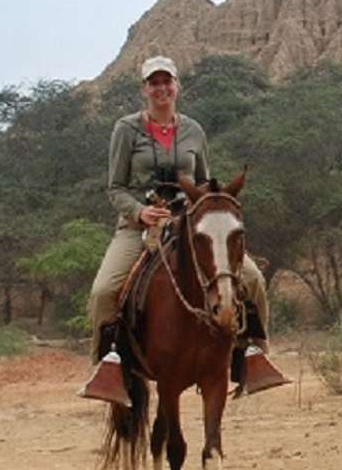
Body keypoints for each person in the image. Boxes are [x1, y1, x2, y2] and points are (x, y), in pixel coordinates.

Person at [77, 54, 284, 403]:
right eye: (154, 83)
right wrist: (141, 212)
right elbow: (115, 187)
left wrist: (202, 208)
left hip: (189, 221)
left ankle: (252, 354)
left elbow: (204, 181)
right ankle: (107, 367)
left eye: (167, 82)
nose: (161, 88)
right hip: (139, 224)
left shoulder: (193, 130)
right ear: (145, 89)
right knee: (103, 292)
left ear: (177, 86)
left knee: (251, 279)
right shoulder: (126, 129)